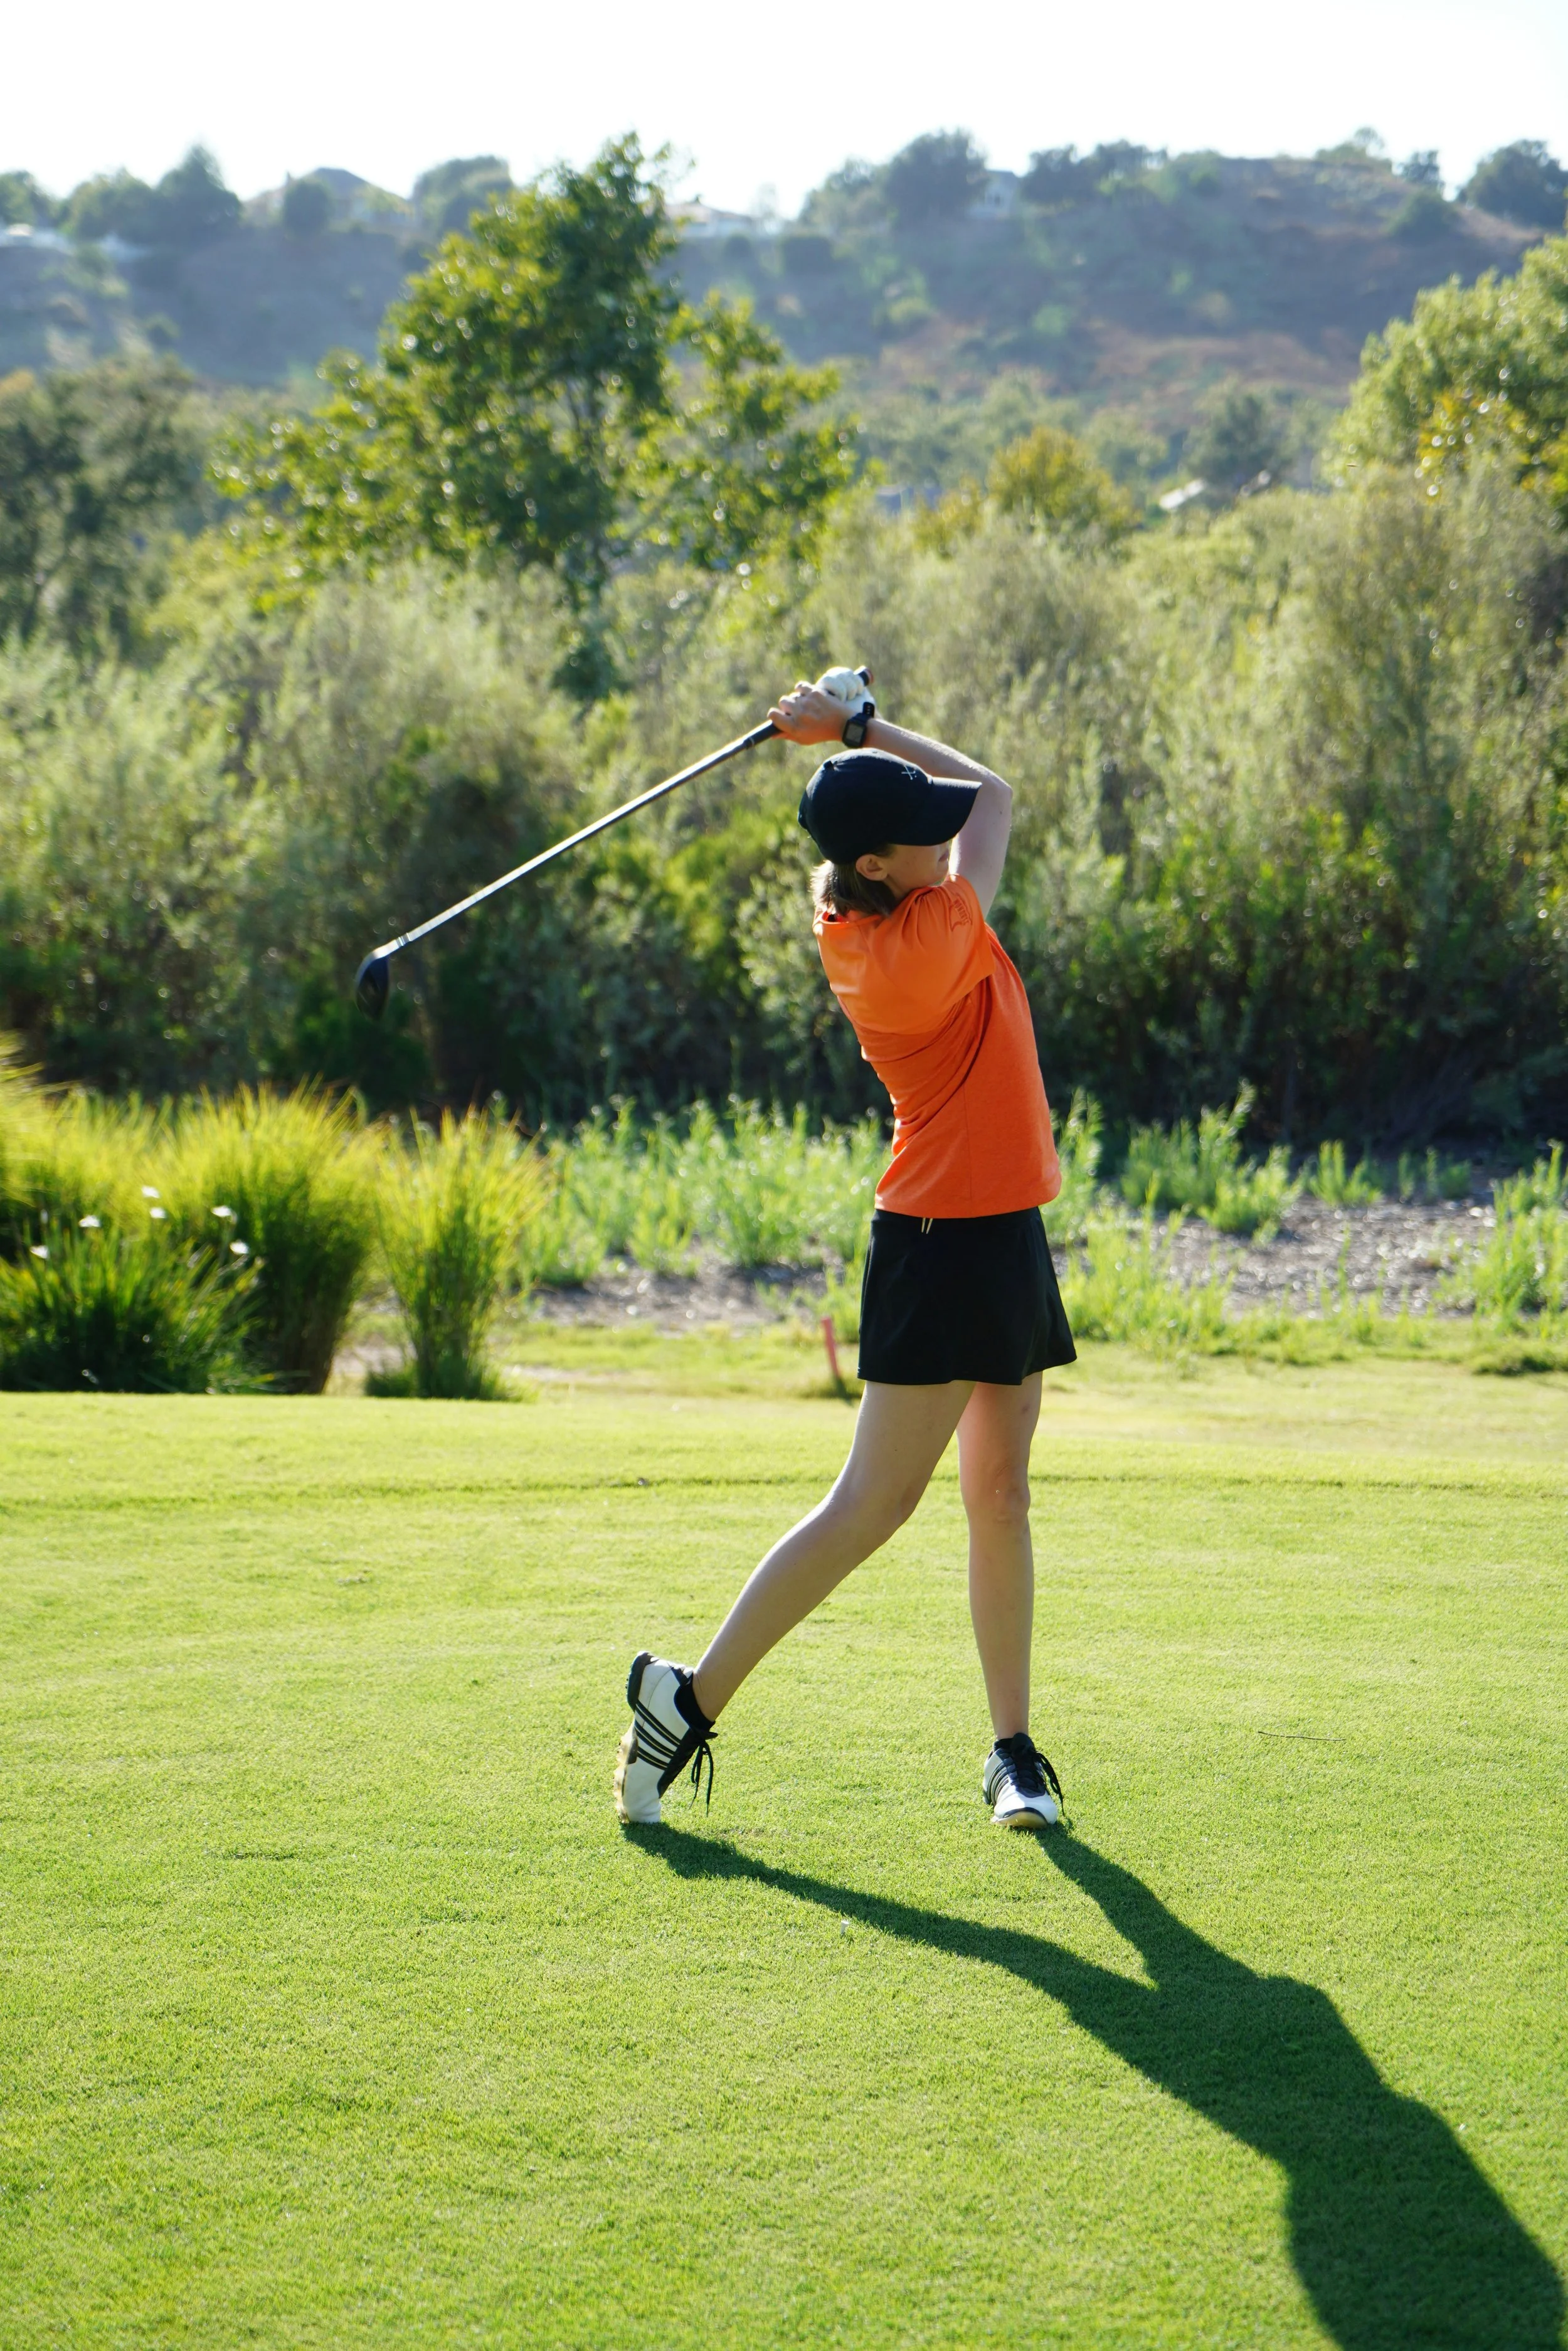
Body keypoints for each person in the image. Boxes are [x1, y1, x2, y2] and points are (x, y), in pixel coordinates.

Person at [613, 678, 1076, 1832]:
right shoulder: (925, 941)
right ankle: (687, 1701)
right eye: (921, 835)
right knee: (873, 1504)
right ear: (878, 866)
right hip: (938, 1241)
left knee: (1001, 1492)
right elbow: (996, 796)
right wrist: (856, 727)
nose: (943, 838)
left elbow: (967, 806)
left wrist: (853, 744)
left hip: (1002, 1224)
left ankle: (1013, 1753)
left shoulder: (868, 908)